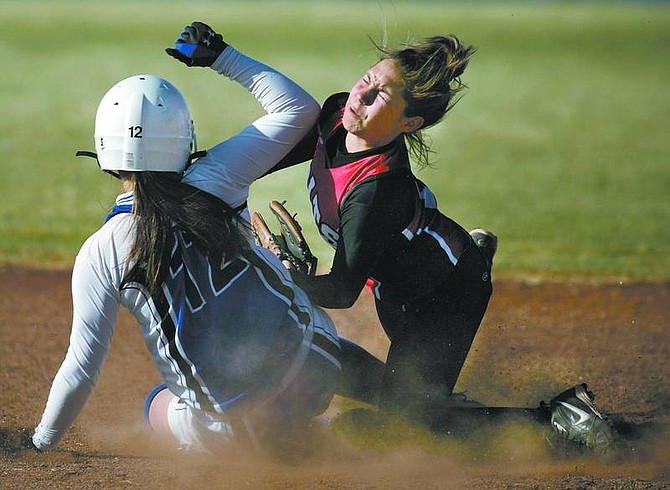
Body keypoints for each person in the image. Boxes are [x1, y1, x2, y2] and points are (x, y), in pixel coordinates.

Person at [31, 22, 343, 454]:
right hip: (318, 368)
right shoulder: (218, 176)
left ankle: (325, 435)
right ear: (183, 136)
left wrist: (41, 443)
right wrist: (223, 58)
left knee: (158, 405)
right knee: (291, 307)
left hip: (243, 436)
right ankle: (370, 417)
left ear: (104, 149)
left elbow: (82, 371)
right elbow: (300, 110)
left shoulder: (100, 252)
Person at [262, 35, 499, 428]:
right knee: (402, 395)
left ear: (409, 123)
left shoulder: (375, 191)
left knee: (409, 428)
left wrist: (279, 279)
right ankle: (427, 397)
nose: (362, 95)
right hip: (399, 289)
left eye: (379, 98)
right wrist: (221, 170)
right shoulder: (340, 112)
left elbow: (341, 290)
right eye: (367, 80)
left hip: (447, 296)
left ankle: (560, 421)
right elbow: (293, 148)